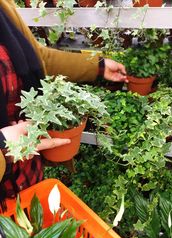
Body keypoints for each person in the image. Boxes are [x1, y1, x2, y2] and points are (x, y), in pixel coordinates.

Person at [0, 0, 128, 208]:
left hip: (27, 172)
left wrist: (98, 67)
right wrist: (3, 143)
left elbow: (37, 58)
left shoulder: (4, 6)